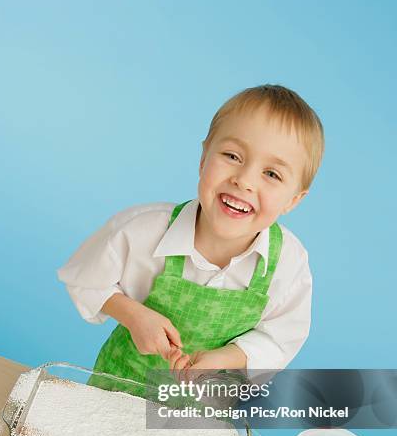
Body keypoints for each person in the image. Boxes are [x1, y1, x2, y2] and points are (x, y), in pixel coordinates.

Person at [57, 84, 324, 394]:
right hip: (116, 391)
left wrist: (225, 358)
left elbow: (280, 336)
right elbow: (83, 278)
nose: (244, 181)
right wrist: (133, 315)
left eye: (272, 174)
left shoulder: (288, 263)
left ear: (294, 199)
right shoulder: (142, 230)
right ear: (203, 158)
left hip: (202, 416)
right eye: (232, 156)